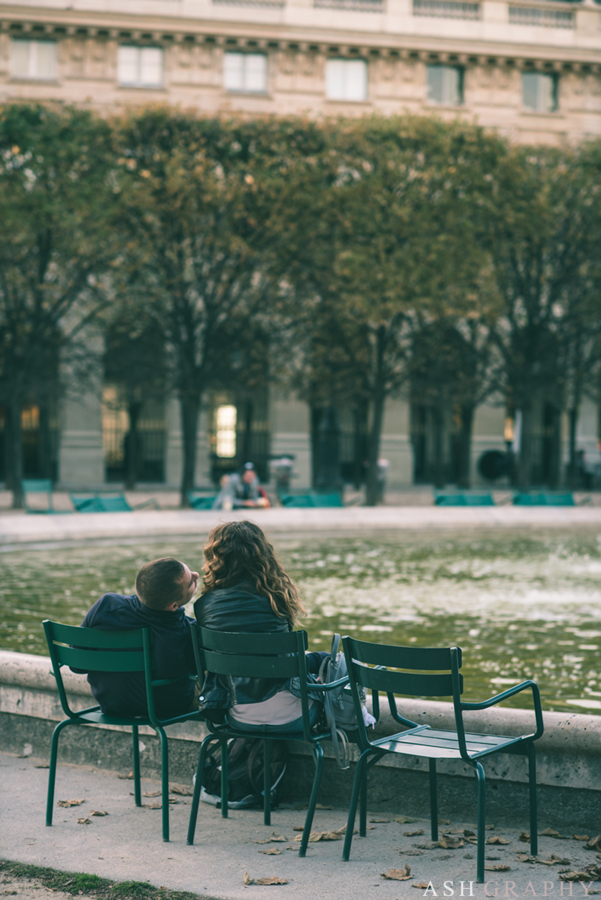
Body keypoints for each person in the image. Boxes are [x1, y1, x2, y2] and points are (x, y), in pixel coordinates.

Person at [194, 520, 325, 732]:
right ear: (263, 555)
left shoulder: (204, 606)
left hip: (237, 715)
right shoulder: (277, 599)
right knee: (328, 659)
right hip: (295, 715)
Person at [80, 557, 199, 719]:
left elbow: (77, 666)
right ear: (173, 606)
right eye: (191, 581)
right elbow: (196, 671)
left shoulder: (106, 606)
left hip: (112, 705)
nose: (196, 574)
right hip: (166, 709)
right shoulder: (187, 630)